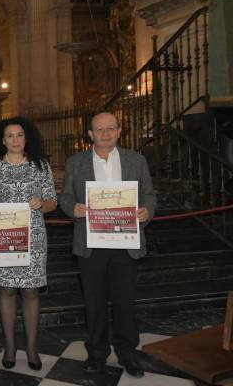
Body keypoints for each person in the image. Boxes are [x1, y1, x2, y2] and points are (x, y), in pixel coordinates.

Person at [58, 112, 155, 378]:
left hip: (126, 242)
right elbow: (65, 196)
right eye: (99, 129)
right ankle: (97, 354)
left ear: (119, 131)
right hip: (91, 243)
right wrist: (73, 209)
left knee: (125, 302)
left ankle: (128, 353)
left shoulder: (136, 160)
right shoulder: (76, 163)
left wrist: (147, 211)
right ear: (90, 134)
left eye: (110, 128)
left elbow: (148, 194)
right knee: (95, 303)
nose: (105, 133)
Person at [0, 117, 57, 371]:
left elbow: (53, 201)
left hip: (33, 237)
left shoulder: (40, 166)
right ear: (2, 140)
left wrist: (41, 204)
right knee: (6, 291)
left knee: (31, 292)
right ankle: (10, 346)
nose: (15, 140)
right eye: (10, 136)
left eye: (19, 135)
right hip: (4, 236)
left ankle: (32, 348)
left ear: (26, 137)